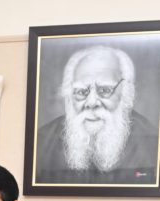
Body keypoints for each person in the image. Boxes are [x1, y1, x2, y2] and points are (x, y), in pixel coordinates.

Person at [36, 45, 159, 185]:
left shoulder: (152, 144)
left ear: (126, 92)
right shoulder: (42, 142)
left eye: (105, 90)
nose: (92, 102)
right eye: (81, 91)